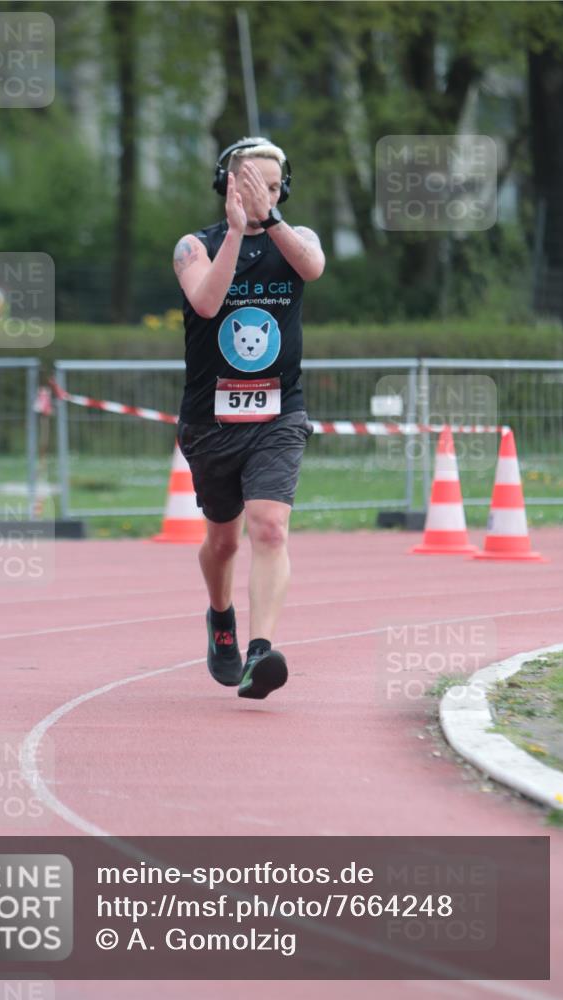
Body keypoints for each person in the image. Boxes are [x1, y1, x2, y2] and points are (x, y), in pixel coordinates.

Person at [173, 137, 325, 700]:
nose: (264, 191)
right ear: (227, 186)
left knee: (269, 525)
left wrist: (271, 218)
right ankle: (221, 616)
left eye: (274, 183)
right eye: (251, 182)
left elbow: (313, 268)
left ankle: (260, 651)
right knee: (224, 541)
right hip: (210, 420)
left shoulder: (297, 239)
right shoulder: (195, 246)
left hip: (279, 411)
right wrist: (237, 232)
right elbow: (208, 304)